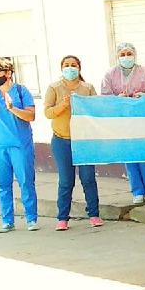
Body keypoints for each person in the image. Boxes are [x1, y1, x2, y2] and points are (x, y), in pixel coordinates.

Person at [0, 57, 39, 233]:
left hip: (20, 145)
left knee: (26, 182)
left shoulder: (20, 91)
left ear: (8, 73)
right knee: (2, 184)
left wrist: (12, 108)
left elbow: (31, 116)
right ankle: (7, 221)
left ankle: (31, 218)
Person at [44, 55, 104, 231]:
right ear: (61, 68)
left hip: (84, 141)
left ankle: (94, 214)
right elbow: (48, 112)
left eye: (73, 65)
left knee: (88, 179)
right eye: (66, 65)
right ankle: (62, 218)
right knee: (66, 180)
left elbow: (97, 110)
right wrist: (62, 105)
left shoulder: (87, 87)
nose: (70, 68)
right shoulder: (54, 88)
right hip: (62, 140)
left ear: (79, 68)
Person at [101, 42, 145, 205]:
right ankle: (137, 192)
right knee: (130, 155)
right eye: (123, 54)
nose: (126, 57)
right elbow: (104, 97)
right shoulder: (110, 75)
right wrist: (117, 99)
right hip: (123, 121)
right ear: (118, 56)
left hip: (142, 120)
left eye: (129, 53)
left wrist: (142, 96)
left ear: (135, 54)